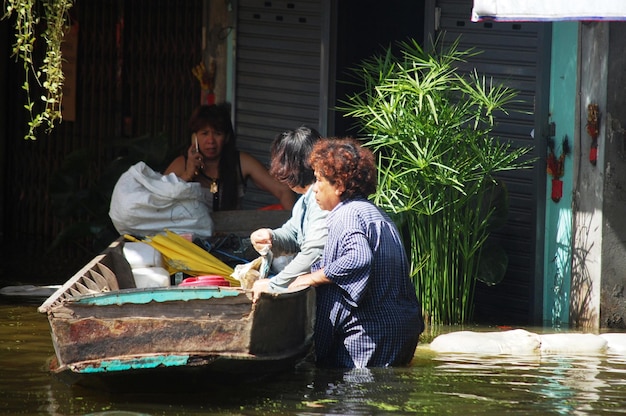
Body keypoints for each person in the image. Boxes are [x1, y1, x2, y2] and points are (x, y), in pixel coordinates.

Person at [288, 137, 424, 368]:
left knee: (355, 401)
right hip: (402, 333)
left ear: (339, 185)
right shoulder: (377, 214)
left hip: (368, 338)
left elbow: (357, 259)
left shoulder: (346, 214)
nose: (314, 188)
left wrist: (311, 278)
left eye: (320, 180)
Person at [164, 103, 296, 211]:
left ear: (226, 137)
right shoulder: (181, 163)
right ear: (194, 138)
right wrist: (187, 175)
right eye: (204, 133)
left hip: (231, 234)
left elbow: (283, 190)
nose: (211, 140)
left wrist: (293, 229)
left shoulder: (241, 162)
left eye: (217, 133)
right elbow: (157, 197)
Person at [250, 126, 328, 296]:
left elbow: (314, 252)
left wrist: (274, 284)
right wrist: (271, 237)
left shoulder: (322, 200)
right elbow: (293, 233)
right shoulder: (304, 201)